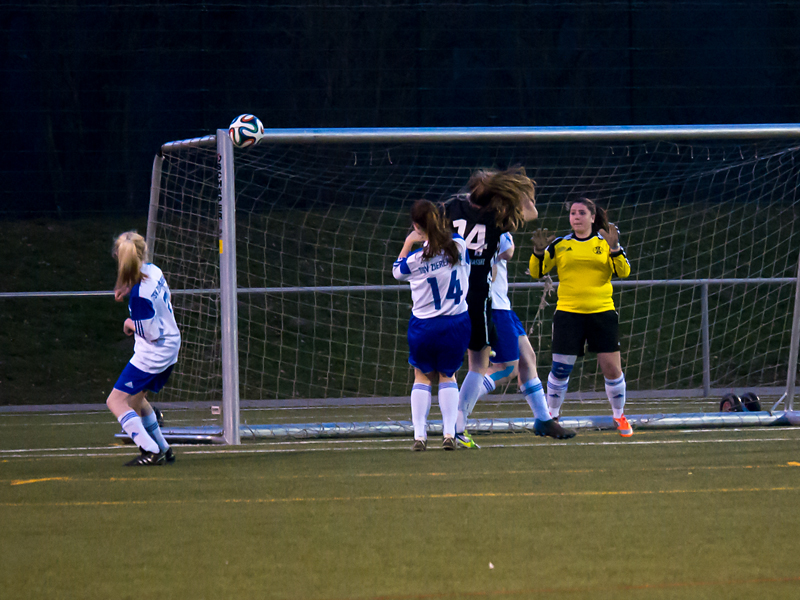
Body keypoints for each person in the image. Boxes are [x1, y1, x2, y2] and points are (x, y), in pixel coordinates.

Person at [444, 166, 539, 448]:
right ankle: (458, 427)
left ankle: (435, 429)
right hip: (478, 296)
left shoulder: (450, 208)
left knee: (441, 369)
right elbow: (531, 213)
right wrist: (517, 192)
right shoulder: (497, 218)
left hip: (451, 295)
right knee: (479, 365)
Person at [529, 197, 633, 437]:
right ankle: (551, 418)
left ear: (593, 217)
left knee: (612, 370)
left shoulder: (606, 241)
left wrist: (615, 249)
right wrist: (538, 251)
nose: (576, 217)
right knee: (560, 369)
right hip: (568, 314)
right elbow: (537, 271)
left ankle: (619, 416)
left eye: (581, 213)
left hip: (602, 313)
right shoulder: (560, 244)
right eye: (573, 213)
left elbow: (624, 271)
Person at [471, 232, 576, 439]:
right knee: (507, 368)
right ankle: (458, 408)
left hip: (502, 305)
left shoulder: (483, 226)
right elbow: (508, 252)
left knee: (528, 359)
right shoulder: (492, 226)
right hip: (493, 306)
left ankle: (544, 420)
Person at [393, 200, 471, 451]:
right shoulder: (458, 245)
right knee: (448, 375)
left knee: (422, 375)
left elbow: (396, 271)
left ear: (417, 226)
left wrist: (408, 242)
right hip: (457, 324)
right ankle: (449, 433)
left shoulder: (414, 260)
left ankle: (419, 436)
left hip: (424, 327)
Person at [107, 231, 181, 465]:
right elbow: (138, 281)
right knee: (137, 400)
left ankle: (149, 450)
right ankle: (164, 448)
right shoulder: (153, 270)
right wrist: (125, 287)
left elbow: (151, 333)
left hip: (153, 354)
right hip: (170, 345)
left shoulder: (139, 296)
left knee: (116, 401)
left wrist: (129, 323)